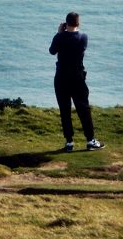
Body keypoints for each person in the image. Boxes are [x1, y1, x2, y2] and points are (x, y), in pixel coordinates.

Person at [49, 12, 104, 152]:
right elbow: (78, 47)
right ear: (78, 23)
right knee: (83, 109)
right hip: (77, 77)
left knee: (64, 109)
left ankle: (69, 143)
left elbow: (52, 51)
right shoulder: (83, 37)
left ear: (66, 24)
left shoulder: (60, 37)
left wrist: (59, 33)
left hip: (61, 77)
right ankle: (90, 140)